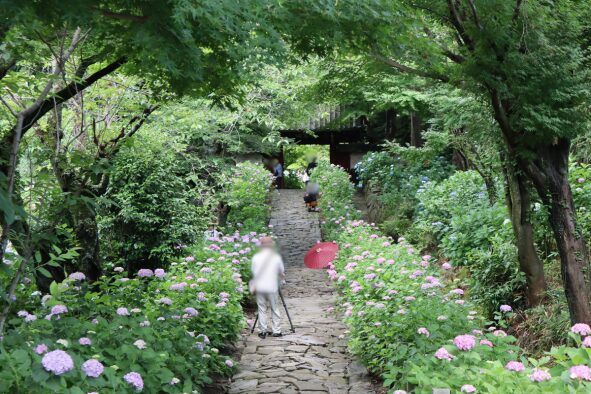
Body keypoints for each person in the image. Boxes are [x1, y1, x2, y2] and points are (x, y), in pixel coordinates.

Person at [250, 237, 285, 339]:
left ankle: (262, 331)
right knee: (275, 308)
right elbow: (281, 271)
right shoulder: (275, 257)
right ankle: (276, 331)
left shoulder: (256, 257)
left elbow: (253, 272)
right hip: (272, 286)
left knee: (261, 309)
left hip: (260, 286)